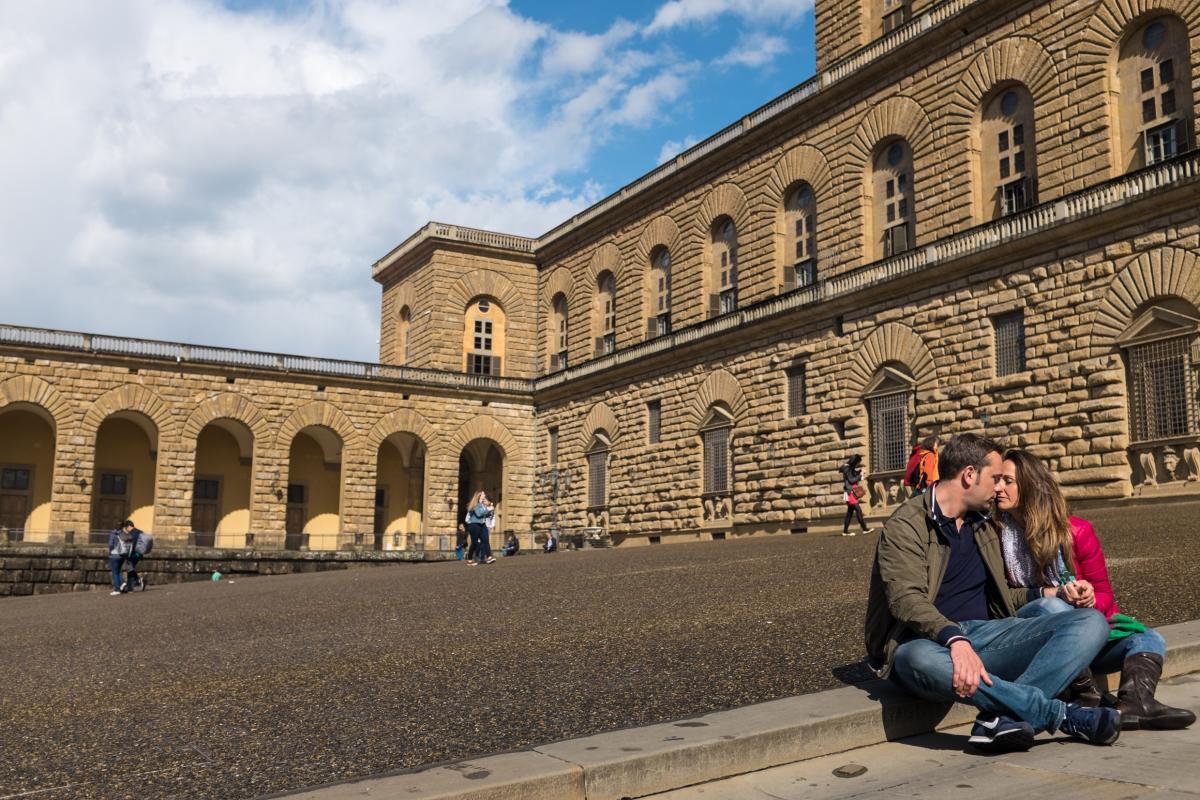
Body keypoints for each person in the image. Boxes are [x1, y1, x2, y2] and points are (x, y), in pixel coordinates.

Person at [865, 433, 1120, 753]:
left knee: (1090, 623)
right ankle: (1059, 714)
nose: (1000, 488)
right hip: (926, 642)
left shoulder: (983, 525)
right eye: (995, 478)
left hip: (987, 636)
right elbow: (906, 600)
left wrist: (1053, 593)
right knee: (916, 658)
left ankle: (1001, 717)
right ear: (969, 475)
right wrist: (954, 640)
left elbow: (1004, 596)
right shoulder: (907, 524)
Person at [994, 448, 1195, 731]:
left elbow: (1105, 595)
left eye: (1007, 481)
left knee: (1148, 638)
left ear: (1029, 486)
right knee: (1052, 607)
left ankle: (1135, 703)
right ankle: (1087, 698)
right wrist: (1057, 597)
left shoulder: (1077, 531)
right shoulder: (994, 535)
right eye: (996, 480)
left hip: (1085, 634)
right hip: (1033, 637)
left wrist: (1088, 597)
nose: (998, 487)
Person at [838, 454, 870, 536]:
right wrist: (861, 475)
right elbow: (852, 480)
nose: (857, 464)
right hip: (850, 493)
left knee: (849, 513)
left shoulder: (847, 467)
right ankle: (865, 529)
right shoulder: (847, 468)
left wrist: (859, 471)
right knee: (858, 510)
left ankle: (845, 531)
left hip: (849, 492)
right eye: (857, 463)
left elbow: (852, 475)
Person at [465, 491, 496, 565]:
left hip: (482, 524)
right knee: (474, 543)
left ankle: (489, 557)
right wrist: (488, 509)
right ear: (479, 496)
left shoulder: (482, 505)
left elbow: (485, 515)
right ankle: (470, 559)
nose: (484, 495)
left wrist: (490, 512)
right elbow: (479, 514)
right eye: (483, 494)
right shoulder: (475, 505)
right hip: (474, 525)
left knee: (486, 540)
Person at [107, 520, 135, 595]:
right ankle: (122, 584)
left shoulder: (113, 533)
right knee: (119, 571)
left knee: (115, 573)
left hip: (114, 555)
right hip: (123, 555)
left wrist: (110, 552)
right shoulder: (124, 533)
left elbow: (110, 544)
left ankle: (117, 589)